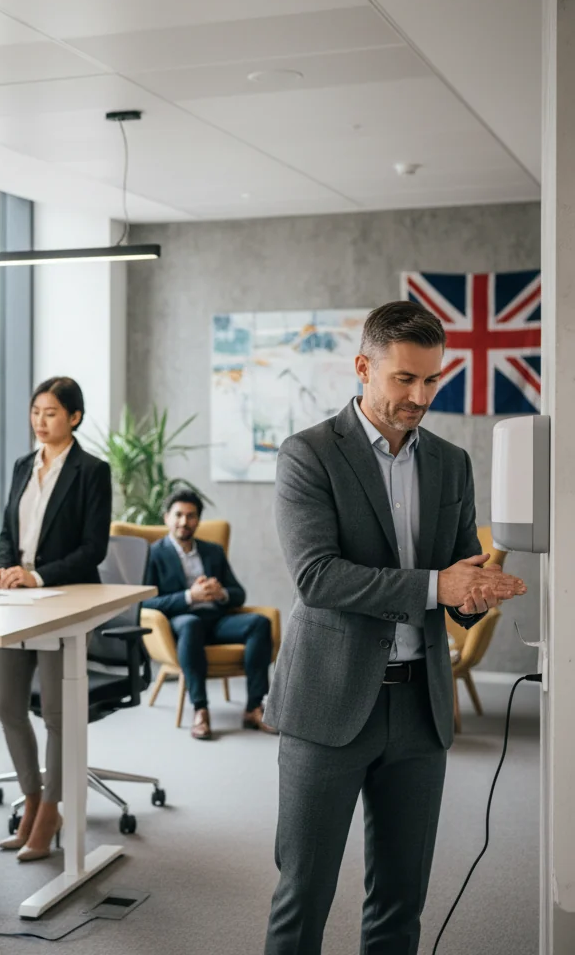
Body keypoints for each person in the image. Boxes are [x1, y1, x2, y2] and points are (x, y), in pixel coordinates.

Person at [263, 302, 527, 955]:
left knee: (400, 903)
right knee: (304, 895)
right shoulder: (308, 455)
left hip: (419, 705)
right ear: (363, 368)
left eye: (432, 380)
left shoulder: (451, 463)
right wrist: (440, 586)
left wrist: (477, 592)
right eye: (404, 380)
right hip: (328, 702)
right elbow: (317, 578)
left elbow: (458, 573)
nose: (419, 396)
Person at [0, 376, 111, 862]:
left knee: (57, 715)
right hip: (15, 603)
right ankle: (33, 797)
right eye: (36, 411)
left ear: (74, 417)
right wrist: (3, 568)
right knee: (8, 707)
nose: (41, 421)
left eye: (52, 413)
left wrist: (35, 576)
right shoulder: (22, 465)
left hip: (61, 603)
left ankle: (52, 808)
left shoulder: (91, 471)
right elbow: (5, 531)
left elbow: (92, 550)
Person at [142, 488, 274, 740]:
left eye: (191, 516)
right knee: (191, 624)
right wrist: (190, 596)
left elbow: (239, 593)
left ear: (198, 520)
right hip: (183, 622)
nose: (184, 522)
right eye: (178, 515)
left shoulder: (213, 550)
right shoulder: (154, 553)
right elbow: (146, 603)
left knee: (259, 623)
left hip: (217, 620)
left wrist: (220, 592)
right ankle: (200, 709)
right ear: (166, 518)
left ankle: (253, 708)